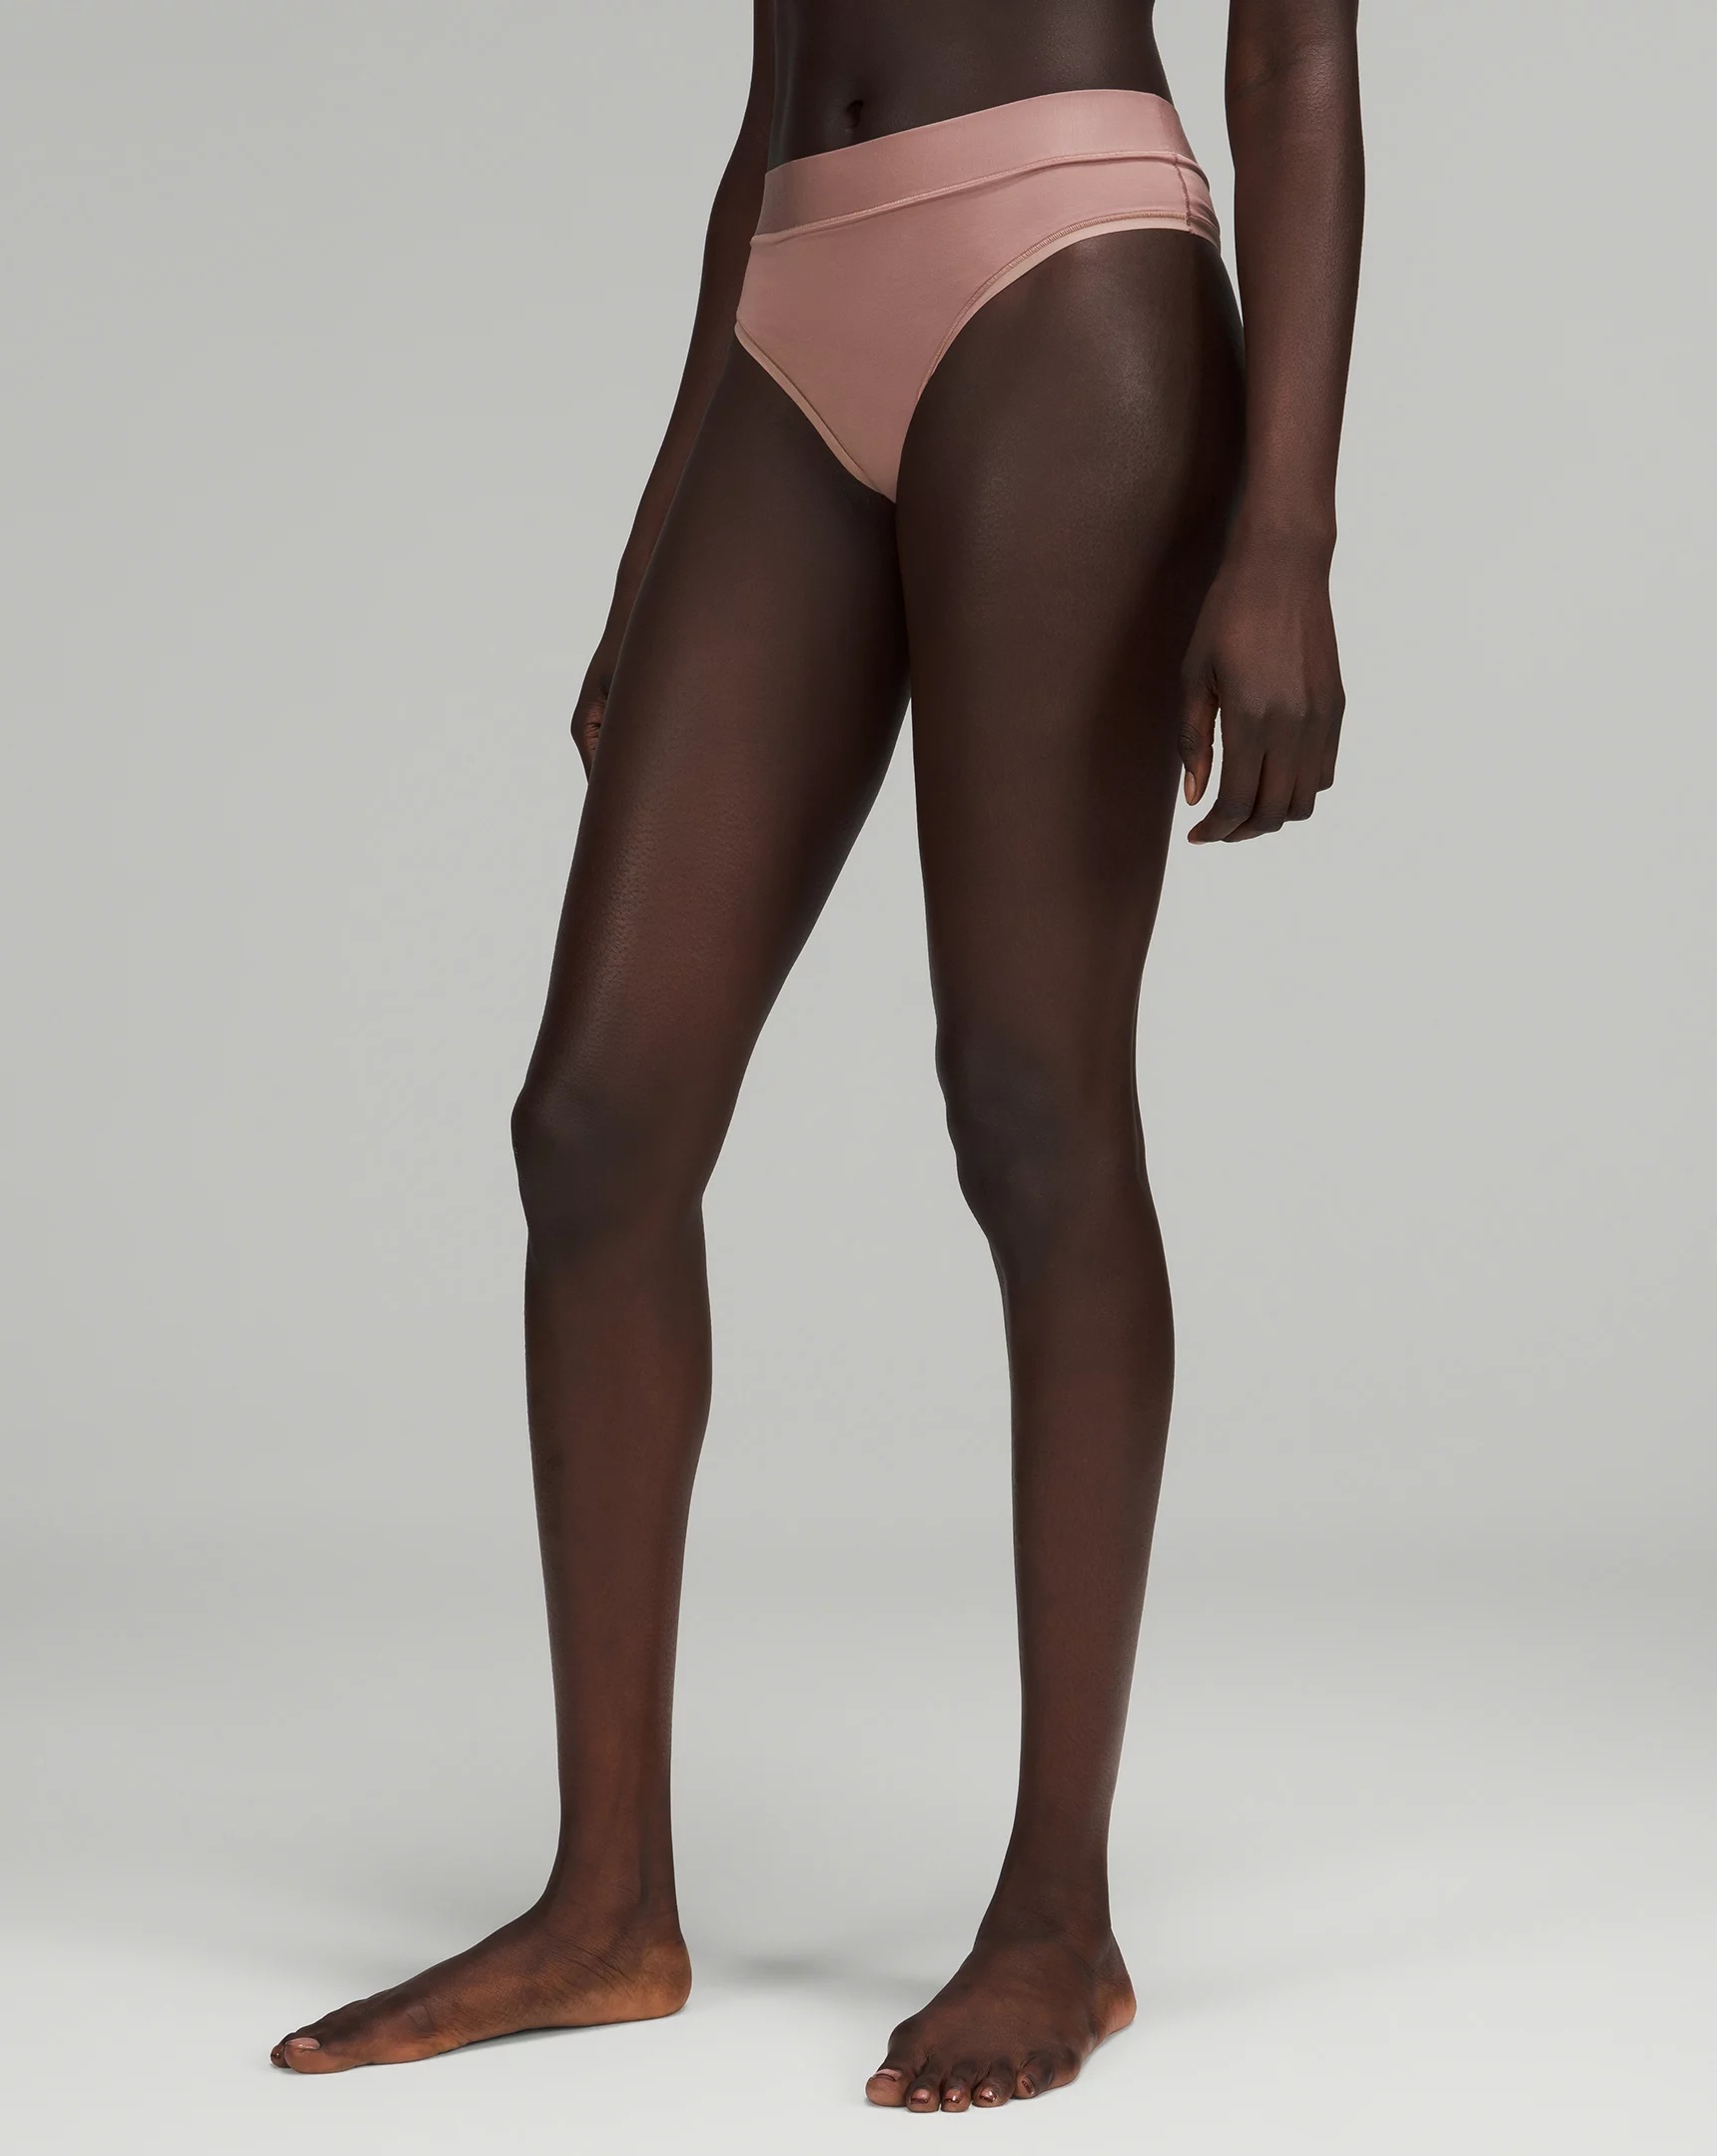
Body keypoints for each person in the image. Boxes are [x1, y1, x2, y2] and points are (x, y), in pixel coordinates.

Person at [271, 0, 1361, 2110]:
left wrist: (1290, 529)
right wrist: (664, 515)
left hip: (1070, 274)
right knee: (596, 1127)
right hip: (791, 289)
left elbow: (1296, 57)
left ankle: (1059, 1914)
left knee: (1030, 1106)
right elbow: (777, 73)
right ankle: (607, 1903)